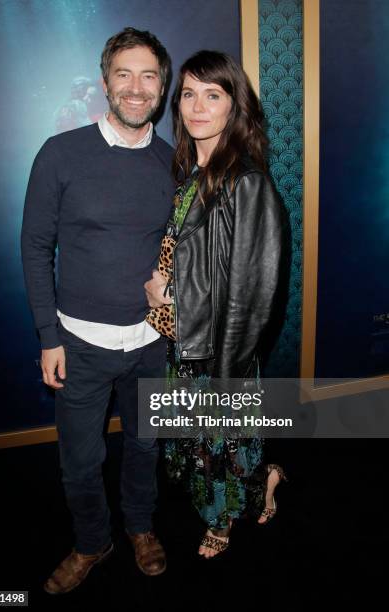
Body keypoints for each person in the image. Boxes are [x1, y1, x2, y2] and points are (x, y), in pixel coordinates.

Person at [21, 28, 174, 593]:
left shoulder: (173, 162)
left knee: (144, 444)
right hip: (77, 346)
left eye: (149, 75)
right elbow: (35, 247)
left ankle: (139, 528)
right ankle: (92, 541)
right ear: (106, 80)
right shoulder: (60, 154)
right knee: (80, 462)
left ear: (163, 85)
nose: (136, 88)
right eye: (124, 75)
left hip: (151, 344)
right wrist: (47, 335)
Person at [144, 50, 287, 559]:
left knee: (221, 445)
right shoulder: (189, 172)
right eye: (188, 94)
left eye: (213, 95)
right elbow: (192, 254)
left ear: (234, 107)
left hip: (218, 350)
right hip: (184, 339)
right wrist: (163, 282)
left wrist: (227, 370)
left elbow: (255, 293)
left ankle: (223, 521)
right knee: (195, 444)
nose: (197, 107)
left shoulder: (246, 181)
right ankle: (266, 477)